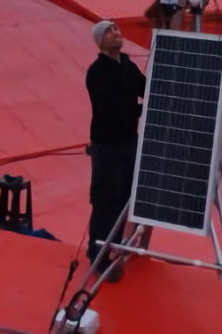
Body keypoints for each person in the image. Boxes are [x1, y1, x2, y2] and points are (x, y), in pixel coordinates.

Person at [85, 19, 147, 273]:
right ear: (100, 41)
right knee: (105, 200)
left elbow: (145, 89)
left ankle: (115, 247)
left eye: (116, 29)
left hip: (128, 142)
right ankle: (97, 254)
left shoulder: (128, 66)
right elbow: (111, 107)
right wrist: (141, 110)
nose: (116, 33)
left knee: (124, 199)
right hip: (107, 145)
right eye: (109, 31)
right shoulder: (97, 72)